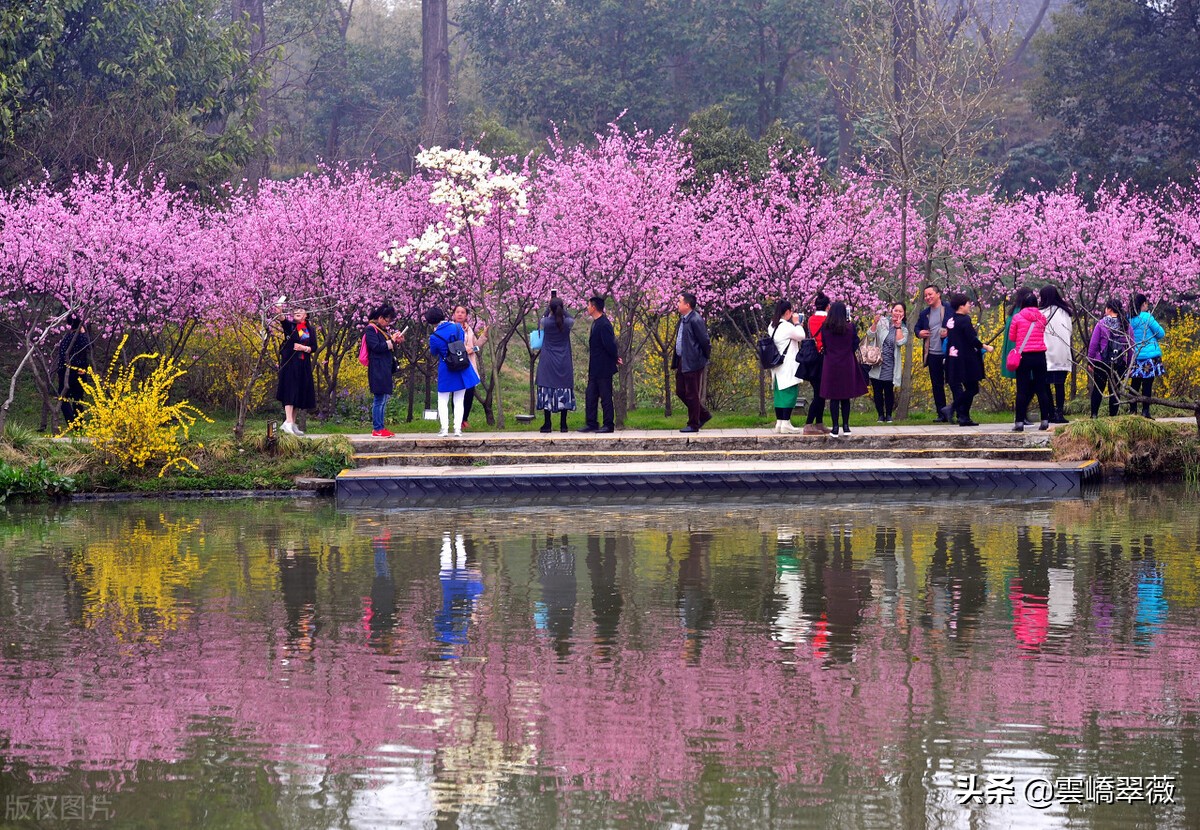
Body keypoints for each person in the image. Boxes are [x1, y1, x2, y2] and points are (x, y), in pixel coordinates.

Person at [426, 306, 480, 437]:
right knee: (459, 400)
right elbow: (461, 342)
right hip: (461, 366)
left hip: (446, 368)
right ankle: (457, 429)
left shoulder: (434, 336)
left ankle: (444, 429)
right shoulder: (457, 327)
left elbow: (433, 352)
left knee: (443, 399)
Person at [941, 293, 993, 426]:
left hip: (954, 358)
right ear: (961, 306)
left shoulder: (951, 320)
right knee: (972, 389)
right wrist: (985, 347)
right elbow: (971, 339)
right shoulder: (964, 320)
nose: (970, 306)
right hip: (966, 359)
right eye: (968, 303)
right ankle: (952, 408)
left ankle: (964, 417)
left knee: (969, 388)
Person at [819, 301, 867, 438]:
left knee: (834, 397)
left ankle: (835, 427)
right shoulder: (850, 327)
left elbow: (825, 345)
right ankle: (846, 426)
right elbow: (855, 344)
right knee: (845, 396)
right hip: (847, 363)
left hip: (831, 365)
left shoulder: (825, 328)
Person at [1008, 291, 1052, 432]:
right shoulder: (1042, 318)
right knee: (1041, 389)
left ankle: (1019, 422)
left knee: (1022, 390)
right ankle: (1045, 420)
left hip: (1024, 357)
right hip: (1040, 355)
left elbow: (1012, 338)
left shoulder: (1017, 317)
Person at [534, 297, 576, 432]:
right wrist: (563, 310)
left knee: (547, 388)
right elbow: (572, 318)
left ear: (551, 308)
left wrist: (548, 308)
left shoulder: (546, 322)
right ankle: (563, 424)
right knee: (563, 388)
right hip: (563, 360)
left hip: (548, 361)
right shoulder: (568, 322)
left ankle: (547, 424)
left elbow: (542, 317)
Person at [580, 295, 620, 433]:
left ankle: (608, 424)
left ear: (594, 307)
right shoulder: (596, 323)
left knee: (605, 396)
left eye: (589, 305)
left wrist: (615, 357)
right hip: (594, 367)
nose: (587, 307)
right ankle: (591, 423)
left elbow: (610, 345)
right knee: (590, 395)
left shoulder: (604, 324)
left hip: (603, 367)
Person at [364, 303, 405, 438]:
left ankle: (381, 427)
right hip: (377, 368)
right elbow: (376, 347)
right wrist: (391, 341)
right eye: (387, 320)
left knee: (383, 399)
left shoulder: (381, 330)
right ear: (381, 317)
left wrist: (396, 341)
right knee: (379, 399)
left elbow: (387, 346)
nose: (388, 324)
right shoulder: (371, 329)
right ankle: (377, 428)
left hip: (384, 367)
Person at [673, 292, 712, 433]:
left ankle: (693, 423)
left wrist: (703, 358)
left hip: (693, 361)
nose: (677, 304)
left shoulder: (695, 320)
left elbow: (705, 341)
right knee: (680, 391)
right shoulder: (684, 319)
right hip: (683, 360)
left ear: (687, 305)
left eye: (679, 301)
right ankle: (704, 414)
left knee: (691, 393)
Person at [767, 299, 807, 433]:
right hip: (788, 365)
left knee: (779, 395)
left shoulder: (772, 326)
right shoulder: (787, 327)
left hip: (777, 366)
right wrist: (797, 323)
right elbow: (801, 336)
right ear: (788, 312)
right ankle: (786, 423)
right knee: (790, 394)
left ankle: (779, 423)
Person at [276, 306, 317, 436]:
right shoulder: (291, 327)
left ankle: (293, 423)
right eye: (296, 311)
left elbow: (314, 347)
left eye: (301, 311)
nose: (298, 312)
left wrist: (303, 348)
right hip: (290, 364)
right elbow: (283, 321)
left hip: (303, 364)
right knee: (290, 390)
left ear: (306, 315)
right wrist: (280, 312)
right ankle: (287, 421)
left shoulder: (310, 329)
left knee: (299, 392)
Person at [1086, 298, 1130, 418]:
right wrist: (1130, 364)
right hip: (1119, 362)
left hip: (1102, 362)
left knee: (1098, 389)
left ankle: (1094, 415)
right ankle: (1113, 418)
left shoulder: (1101, 323)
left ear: (1109, 309)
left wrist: (1090, 360)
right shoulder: (1126, 325)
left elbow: (1093, 344)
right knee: (1115, 391)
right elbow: (1131, 347)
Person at [916, 285, 954, 421]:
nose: (927, 297)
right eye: (925, 295)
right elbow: (917, 328)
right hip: (932, 354)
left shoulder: (949, 308)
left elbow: (958, 324)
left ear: (938, 294)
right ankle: (942, 414)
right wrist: (919, 333)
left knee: (954, 383)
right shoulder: (924, 313)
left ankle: (959, 412)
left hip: (949, 353)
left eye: (930, 294)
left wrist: (950, 332)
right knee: (937, 386)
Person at [867, 302, 908, 423]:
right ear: (891, 311)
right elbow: (870, 335)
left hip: (891, 364)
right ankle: (880, 415)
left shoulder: (904, 328)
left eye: (900, 311)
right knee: (877, 391)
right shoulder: (883, 323)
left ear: (904, 314)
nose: (897, 313)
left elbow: (900, 342)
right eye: (896, 310)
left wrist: (898, 327)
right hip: (878, 362)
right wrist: (874, 323)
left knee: (889, 391)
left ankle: (889, 415)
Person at [1039, 285, 1075, 423]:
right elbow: (1069, 331)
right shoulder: (1065, 312)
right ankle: (1059, 413)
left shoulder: (1040, 313)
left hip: (1046, 354)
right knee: (1060, 385)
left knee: (1046, 385)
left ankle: (1050, 413)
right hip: (1062, 354)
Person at [1127, 293, 1166, 418]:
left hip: (1136, 356)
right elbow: (1161, 333)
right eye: (1146, 304)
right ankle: (1145, 411)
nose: (1147, 306)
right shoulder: (1147, 317)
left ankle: (1132, 410)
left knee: (1135, 384)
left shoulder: (1129, 319)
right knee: (1147, 384)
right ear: (1143, 304)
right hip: (1149, 356)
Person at [453, 305, 488, 430]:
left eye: (463, 312)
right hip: (456, 364)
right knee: (457, 392)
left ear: (466, 315)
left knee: (469, 391)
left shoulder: (469, 330)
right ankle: (457, 419)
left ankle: (464, 419)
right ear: (454, 314)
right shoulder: (451, 329)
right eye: (457, 312)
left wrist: (484, 336)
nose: (460, 314)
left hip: (469, 365)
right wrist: (463, 350)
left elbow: (476, 346)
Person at [55, 314, 92, 426]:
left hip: (64, 370)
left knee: (63, 397)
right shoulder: (82, 337)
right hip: (78, 371)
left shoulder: (66, 338)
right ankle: (77, 424)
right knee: (77, 399)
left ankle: (73, 423)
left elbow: (62, 354)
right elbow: (89, 347)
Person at [802, 293, 830, 435]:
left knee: (819, 392)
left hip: (812, 359)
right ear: (828, 306)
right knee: (820, 394)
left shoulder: (811, 319)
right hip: (823, 359)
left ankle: (819, 423)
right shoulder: (828, 320)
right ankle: (808, 424)